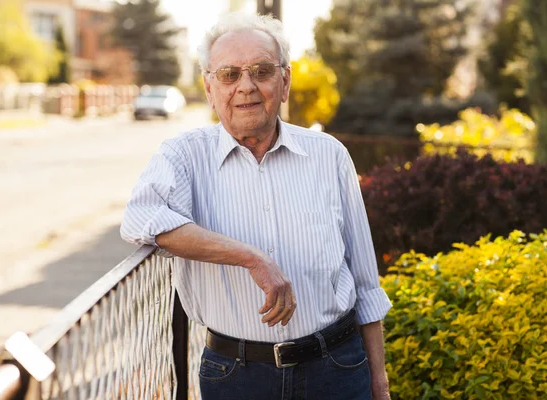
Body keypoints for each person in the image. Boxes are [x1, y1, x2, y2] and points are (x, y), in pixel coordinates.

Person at [120, 12, 392, 400]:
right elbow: (141, 218)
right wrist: (251, 257)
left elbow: (365, 283)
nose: (245, 87)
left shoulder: (329, 155)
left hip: (337, 369)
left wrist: (378, 381)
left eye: (261, 71)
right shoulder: (183, 156)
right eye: (229, 74)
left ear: (285, 82)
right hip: (236, 376)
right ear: (209, 88)